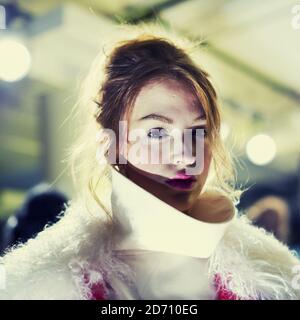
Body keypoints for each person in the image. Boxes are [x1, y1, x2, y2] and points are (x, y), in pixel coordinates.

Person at [0, 23, 299, 300]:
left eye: (198, 131)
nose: (185, 154)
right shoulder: (38, 284)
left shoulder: (274, 278)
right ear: (111, 146)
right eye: (157, 132)